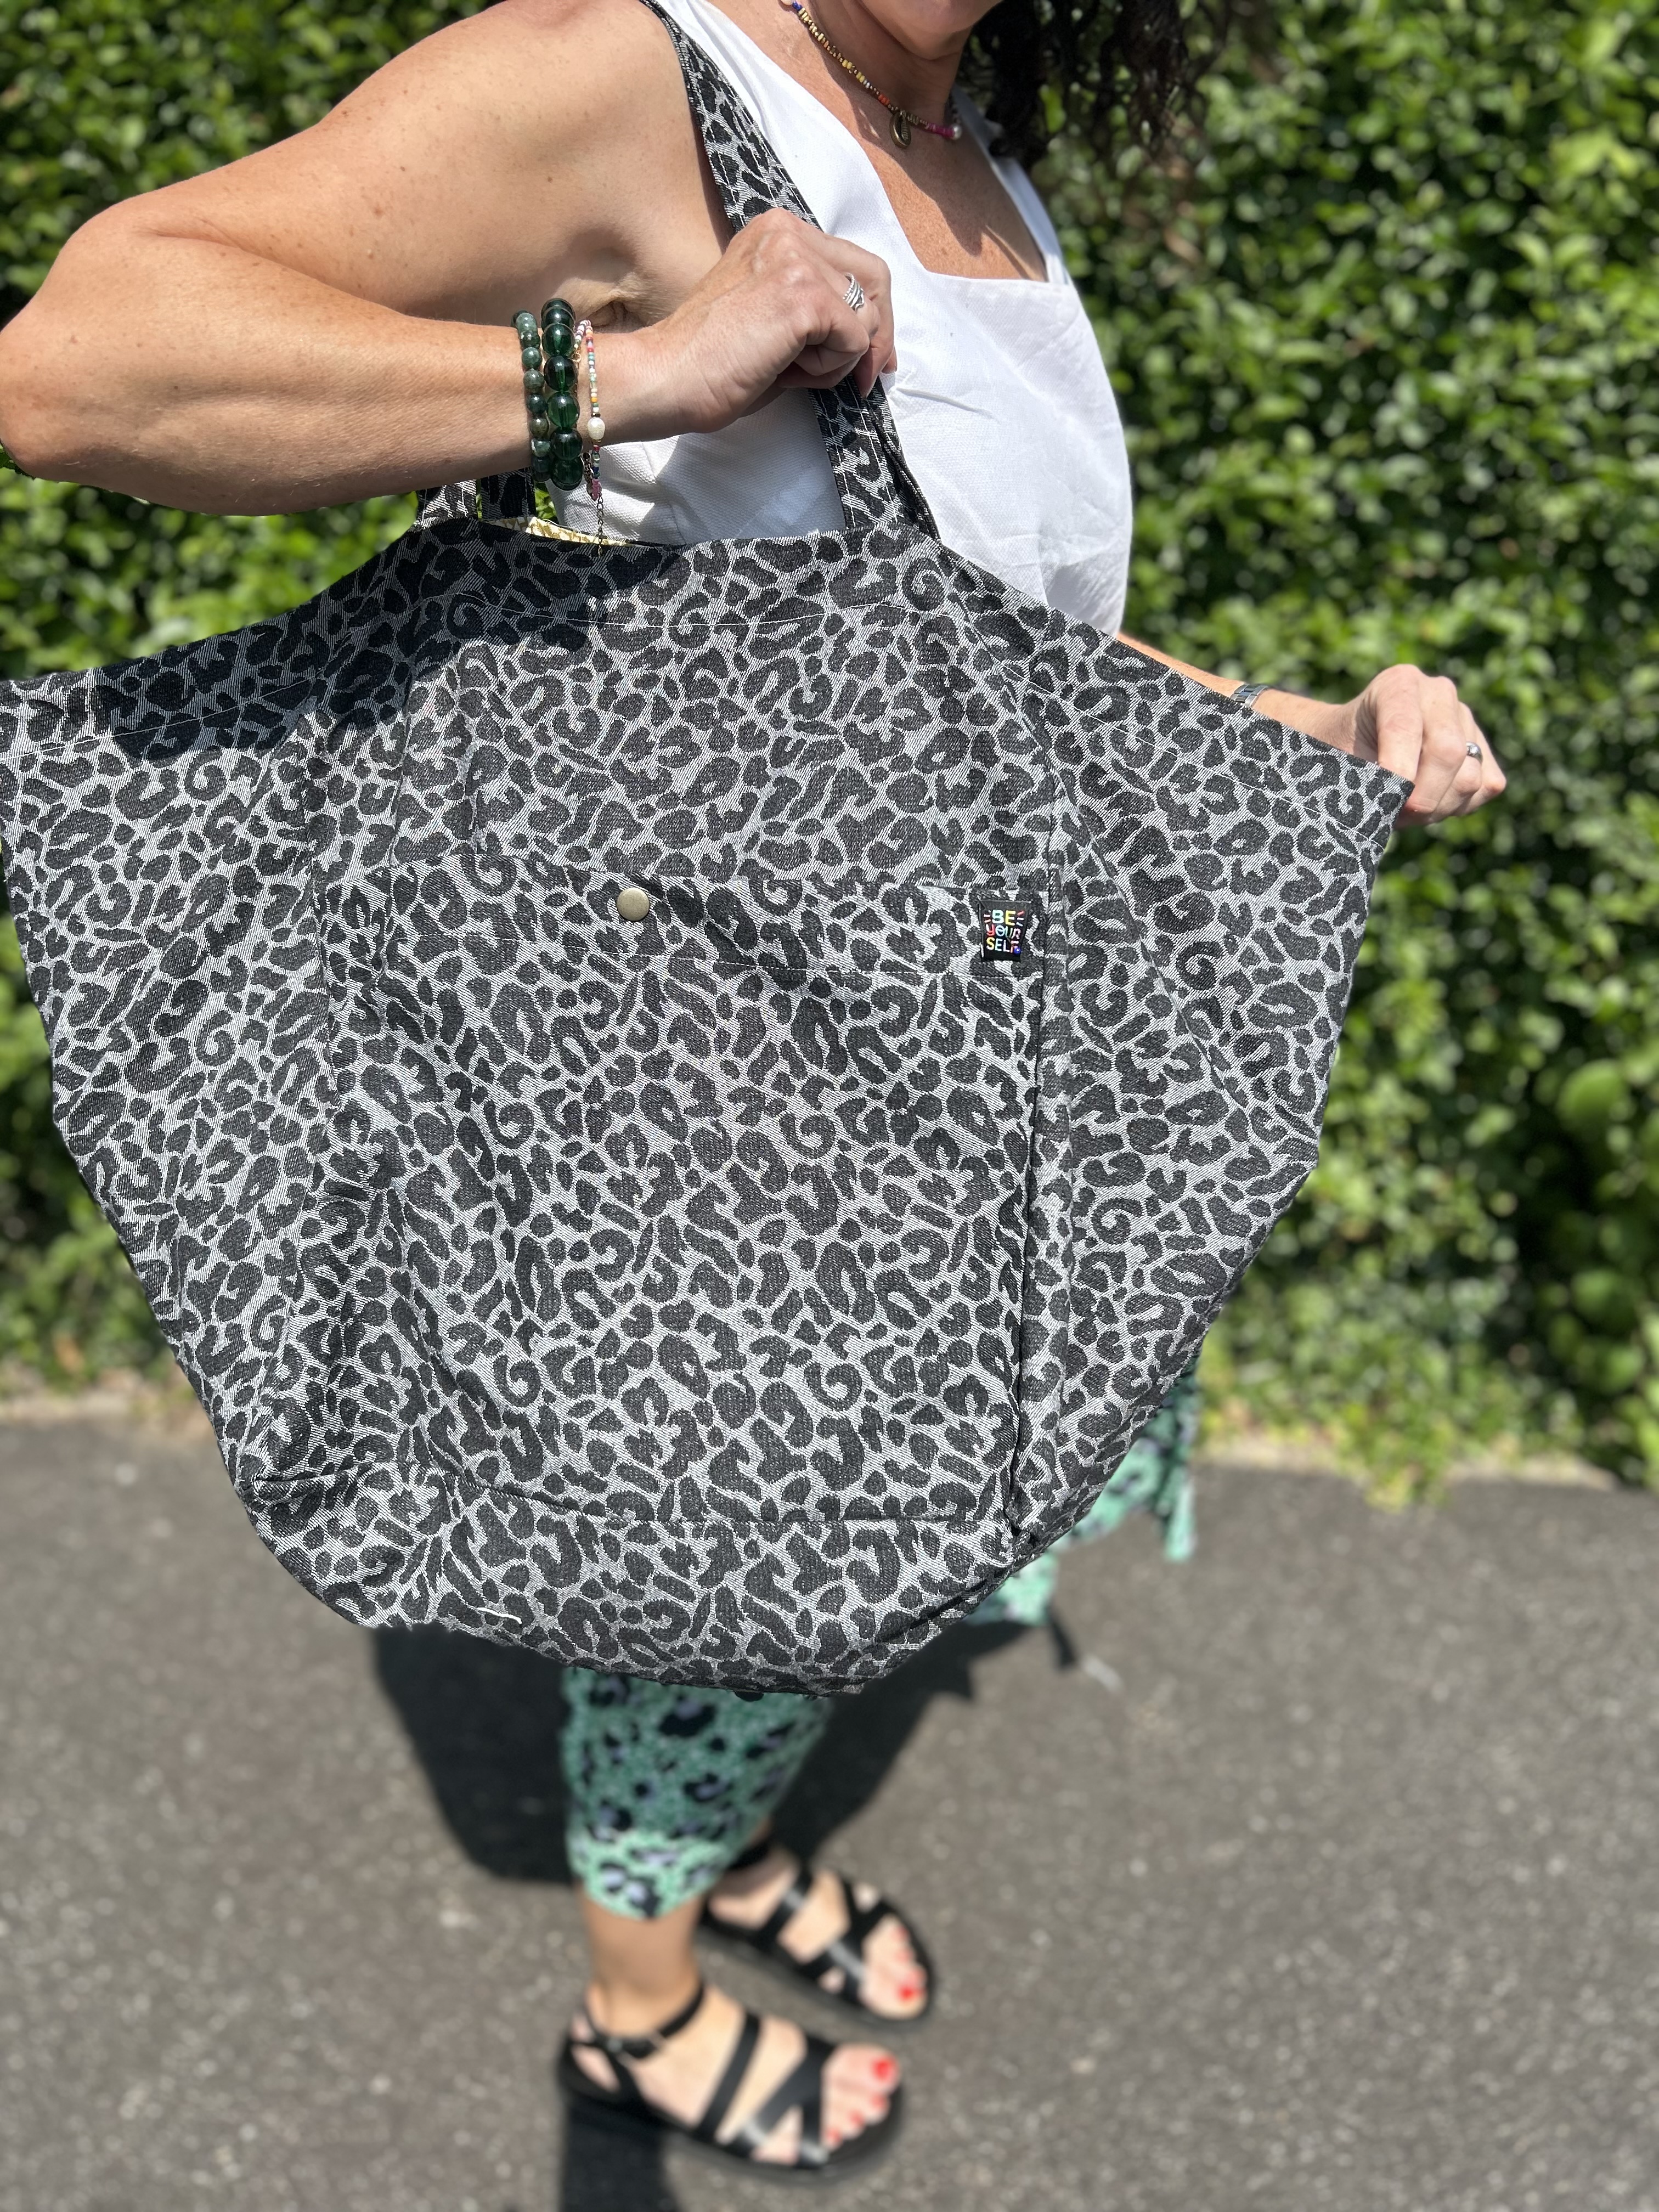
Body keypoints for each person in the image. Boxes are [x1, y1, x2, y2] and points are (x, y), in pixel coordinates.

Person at [0, 0, 1505, 2180]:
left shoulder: (970, 159)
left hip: (926, 1062)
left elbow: (988, 646)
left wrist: (1304, 732)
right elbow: (75, 368)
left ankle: (735, 1853)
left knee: (839, 1557)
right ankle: (640, 2009)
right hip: (719, 1094)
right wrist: (615, 378)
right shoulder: (624, 73)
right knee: (721, 1576)